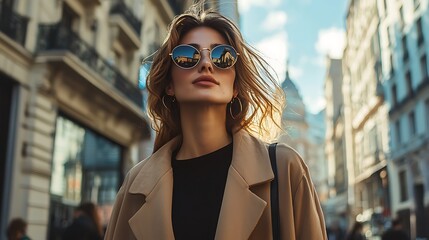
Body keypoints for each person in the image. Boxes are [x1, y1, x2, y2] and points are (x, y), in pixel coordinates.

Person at [105, 2, 327, 240]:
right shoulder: (135, 186)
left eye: (222, 56)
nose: (206, 63)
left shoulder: (284, 168)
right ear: (169, 84)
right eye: (187, 55)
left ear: (235, 86)